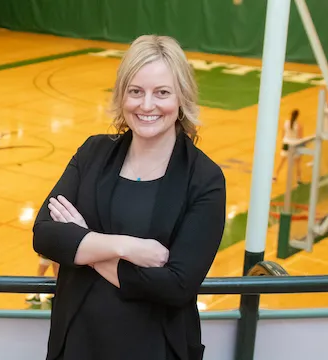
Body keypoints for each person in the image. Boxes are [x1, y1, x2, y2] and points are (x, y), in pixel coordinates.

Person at [32, 35, 226, 360]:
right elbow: (45, 234)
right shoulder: (94, 152)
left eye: (161, 93)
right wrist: (125, 247)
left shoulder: (204, 179)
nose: (146, 105)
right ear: (122, 95)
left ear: (182, 98)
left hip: (155, 347)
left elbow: (176, 286)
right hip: (77, 341)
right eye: (135, 91)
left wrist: (84, 242)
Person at [273, 109, 303, 183]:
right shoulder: (299, 126)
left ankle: (275, 176)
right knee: (297, 163)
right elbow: (300, 137)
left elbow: (283, 134)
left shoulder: (286, 123)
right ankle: (298, 178)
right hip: (294, 145)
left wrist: (284, 140)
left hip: (286, 144)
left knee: (281, 161)